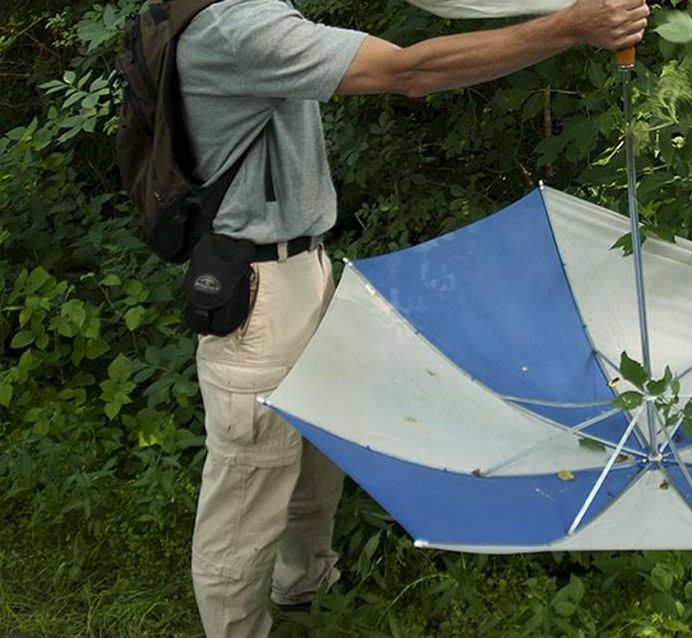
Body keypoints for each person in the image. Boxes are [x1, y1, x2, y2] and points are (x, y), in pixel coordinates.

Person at [176, 0, 648, 635]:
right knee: (248, 491)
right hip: (258, 290)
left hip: (300, 269)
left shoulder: (255, 12)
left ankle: (304, 588)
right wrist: (572, 26)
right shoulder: (236, 28)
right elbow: (410, 71)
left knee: (317, 453)